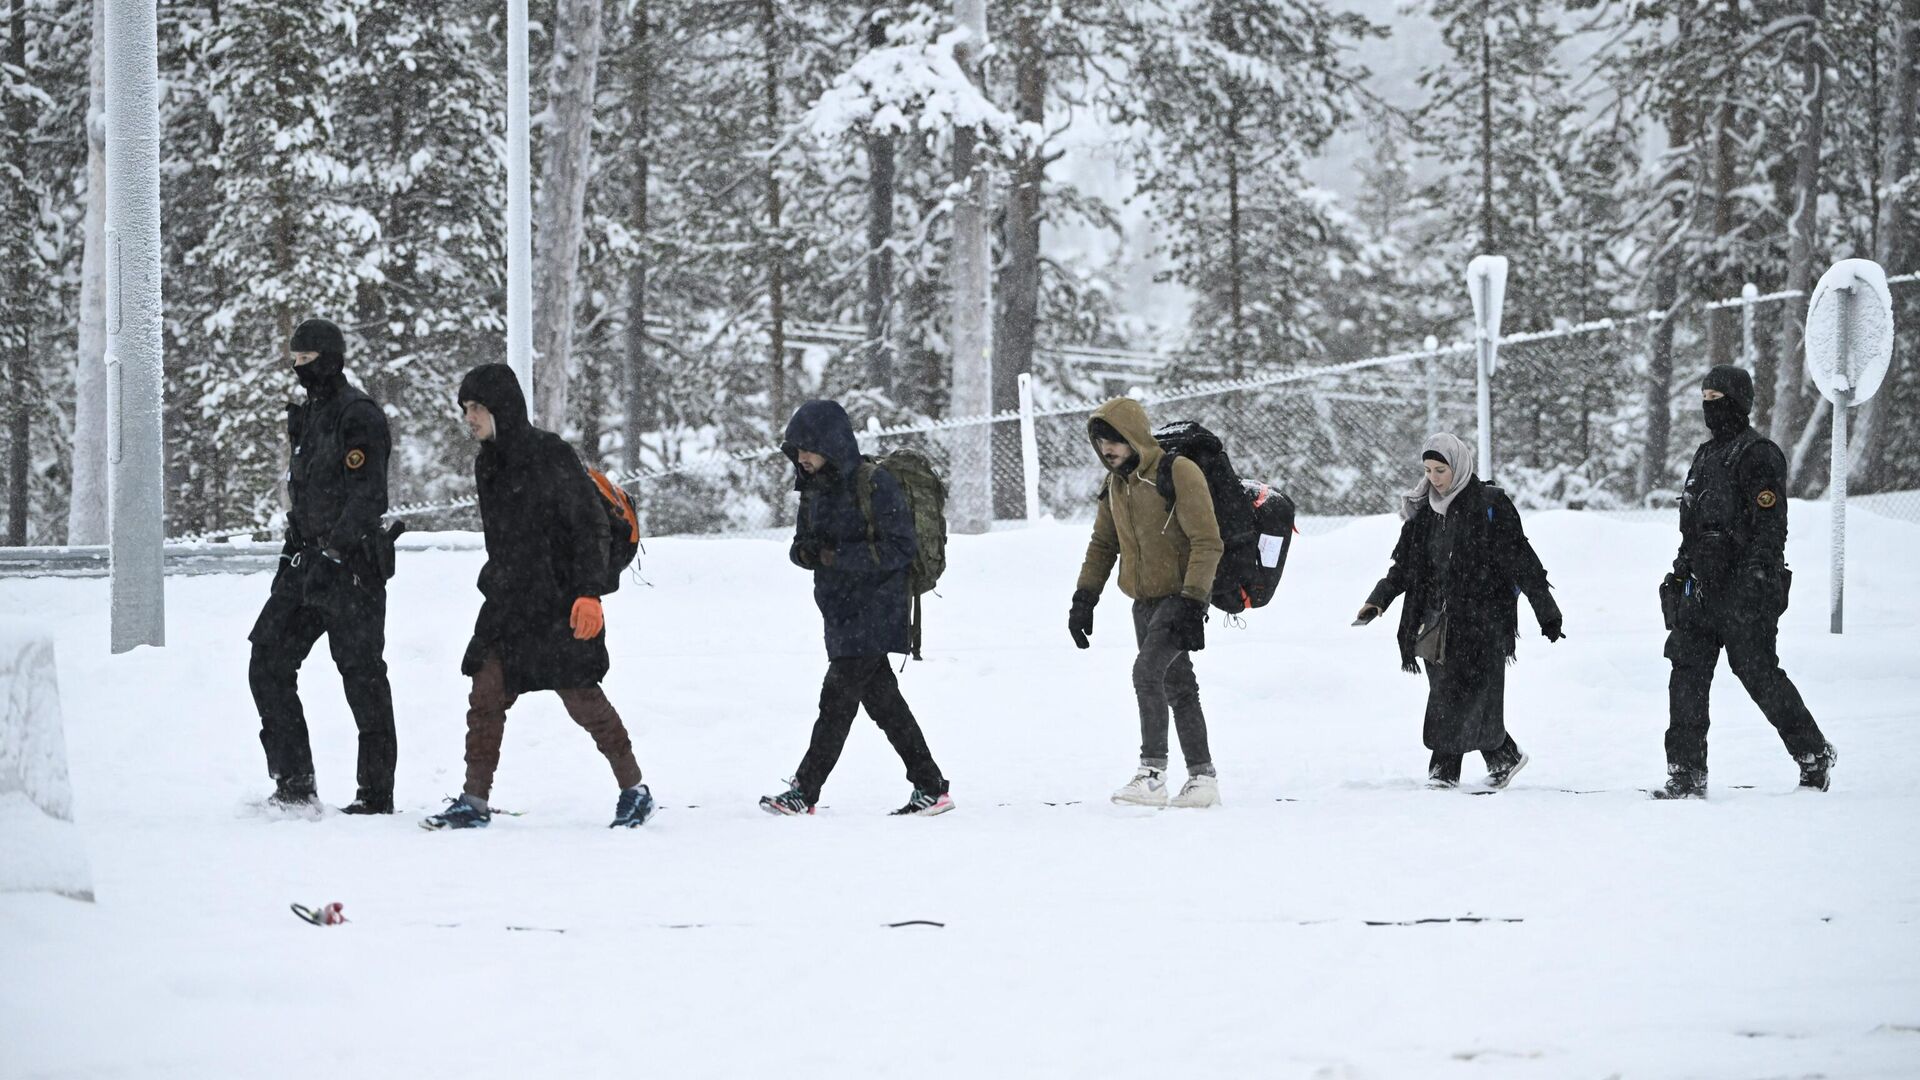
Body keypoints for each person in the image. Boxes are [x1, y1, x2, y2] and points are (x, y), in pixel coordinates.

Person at [421, 364, 654, 830]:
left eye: (477, 408)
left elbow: (588, 527)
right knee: (485, 696)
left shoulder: (551, 454)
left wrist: (589, 594)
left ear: (501, 408)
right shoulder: (486, 461)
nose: (469, 417)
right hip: (508, 603)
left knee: (582, 698)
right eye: (465, 408)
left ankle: (635, 790)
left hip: (559, 601)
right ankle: (474, 801)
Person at [759, 400, 953, 817]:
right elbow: (800, 548)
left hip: (877, 607)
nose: (802, 458)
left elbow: (901, 548)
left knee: (836, 702)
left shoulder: (874, 483)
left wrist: (836, 556)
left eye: (808, 449)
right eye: (796, 451)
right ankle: (931, 786)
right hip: (838, 610)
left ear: (831, 443)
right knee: (884, 703)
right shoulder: (811, 489)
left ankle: (804, 791)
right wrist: (807, 553)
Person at [1654, 364, 1835, 799]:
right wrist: (1681, 569)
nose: (1708, 408)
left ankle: (1813, 754)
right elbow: (1693, 526)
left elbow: (1771, 527)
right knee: (1687, 674)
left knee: (1757, 673)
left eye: (1717, 399)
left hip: (1742, 590)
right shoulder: (1704, 456)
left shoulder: (1759, 455)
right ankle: (1685, 773)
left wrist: (1756, 579)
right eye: (1704, 399)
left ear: (1738, 402)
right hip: (1700, 589)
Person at [247, 317, 398, 814]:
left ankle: (374, 796)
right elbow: (308, 491)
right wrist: (299, 547)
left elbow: (367, 496)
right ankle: (294, 783)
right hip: (305, 560)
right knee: (268, 658)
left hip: (351, 566)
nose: (298, 370)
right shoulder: (310, 414)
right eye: (293, 362)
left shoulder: (358, 415)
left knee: (361, 675)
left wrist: (335, 552)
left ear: (329, 359)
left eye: (306, 361)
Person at [1356, 434, 1561, 789]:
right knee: (1448, 695)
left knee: (1468, 695)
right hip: (1436, 621)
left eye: (1441, 470)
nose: (1433, 478)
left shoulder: (1489, 504)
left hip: (1484, 621)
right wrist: (1378, 600)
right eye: (1427, 470)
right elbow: (1404, 568)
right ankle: (1503, 755)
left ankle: (1445, 770)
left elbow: (1522, 561)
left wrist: (1547, 611)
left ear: (1459, 466)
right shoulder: (1422, 513)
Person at [1070, 397, 1225, 808]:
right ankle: (1203, 779)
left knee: (1146, 672)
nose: (1107, 449)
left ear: (1134, 436)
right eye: (1101, 441)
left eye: (1115, 440)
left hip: (1180, 596)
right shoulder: (1115, 485)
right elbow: (1103, 544)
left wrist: (1194, 600)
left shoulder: (1177, 471)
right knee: (1179, 687)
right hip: (1143, 602)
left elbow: (1208, 540)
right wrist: (1084, 598)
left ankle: (1152, 774)